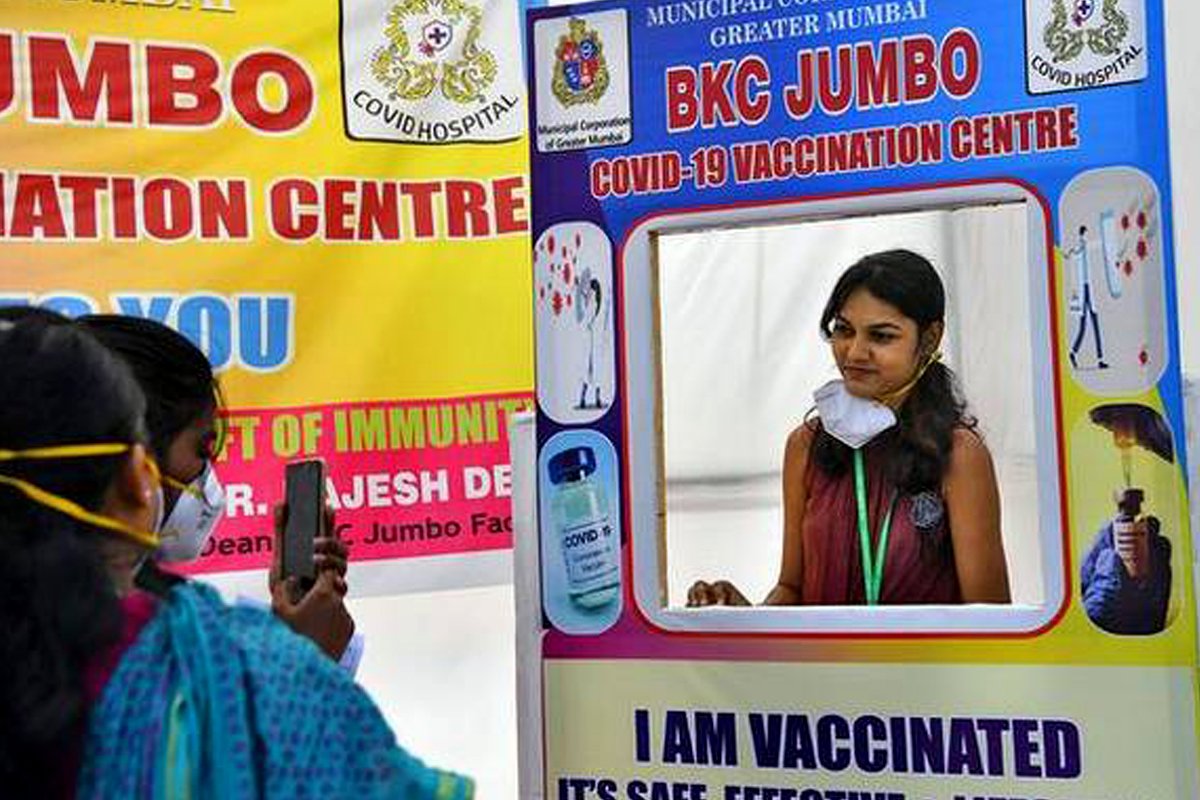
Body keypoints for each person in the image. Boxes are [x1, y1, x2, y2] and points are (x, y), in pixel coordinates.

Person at [0, 319, 473, 798]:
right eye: (202, 449)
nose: (209, 477)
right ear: (137, 479)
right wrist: (299, 669)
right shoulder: (228, 667)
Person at [688, 249, 1011, 607]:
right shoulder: (805, 445)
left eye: (881, 336)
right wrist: (743, 617)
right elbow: (792, 588)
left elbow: (990, 617)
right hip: (821, 650)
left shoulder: (959, 454)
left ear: (930, 339)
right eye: (843, 330)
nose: (854, 353)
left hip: (925, 649)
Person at [78, 314, 357, 664]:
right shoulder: (92, 634)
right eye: (203, 450)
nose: (208, 477)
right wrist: (307, 659)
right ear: (136, 465)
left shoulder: (152, 603)